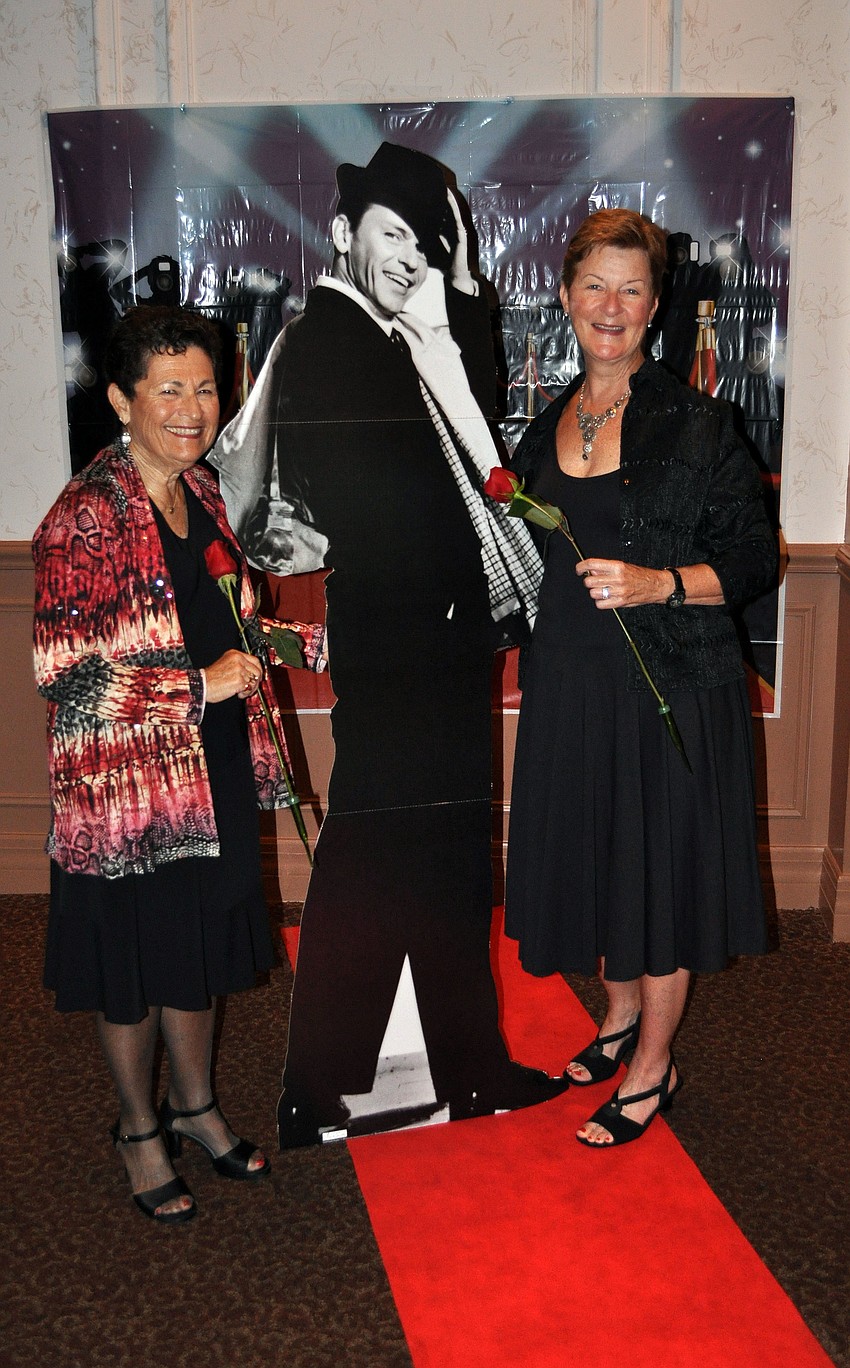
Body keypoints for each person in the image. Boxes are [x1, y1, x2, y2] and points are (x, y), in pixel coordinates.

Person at [210, 141, 568, 1146]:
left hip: (431, 642)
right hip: (408, 640)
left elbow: (480, 443)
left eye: (431, 235)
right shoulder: (334, 337)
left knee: (443, 855)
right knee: (378, 858)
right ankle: (320, 1084)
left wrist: (454, 295)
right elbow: (374, 509)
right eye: (397, 232)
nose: (415, 255)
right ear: (345, 234)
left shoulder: (397, 336)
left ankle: (460, 1066)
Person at [33, 305, 325, 1220]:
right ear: (123, 400)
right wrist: (198, 689)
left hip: (212, 772)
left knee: (195, 950)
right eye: (169, 389)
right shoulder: (84, 517)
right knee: (133, 962)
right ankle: (137, 1128)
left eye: (204, 386)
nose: (193, 407)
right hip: (125, 788)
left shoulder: (200, 492)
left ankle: (195, 1107)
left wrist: (314, 643)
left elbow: (224, 620)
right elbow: (65, 677)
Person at [503, 209, 777, 1146]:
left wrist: (662, 583)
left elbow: (753, 561)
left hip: (670, 694)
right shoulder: (544, 429)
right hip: (571, 690)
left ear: (655, 307)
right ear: (568, 296)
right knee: (603, 865)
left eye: (630, 289)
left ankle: (654, 1069)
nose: (610, 307)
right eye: (594, 286)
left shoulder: (699, 423)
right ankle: (619, 1021)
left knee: (658, 881)